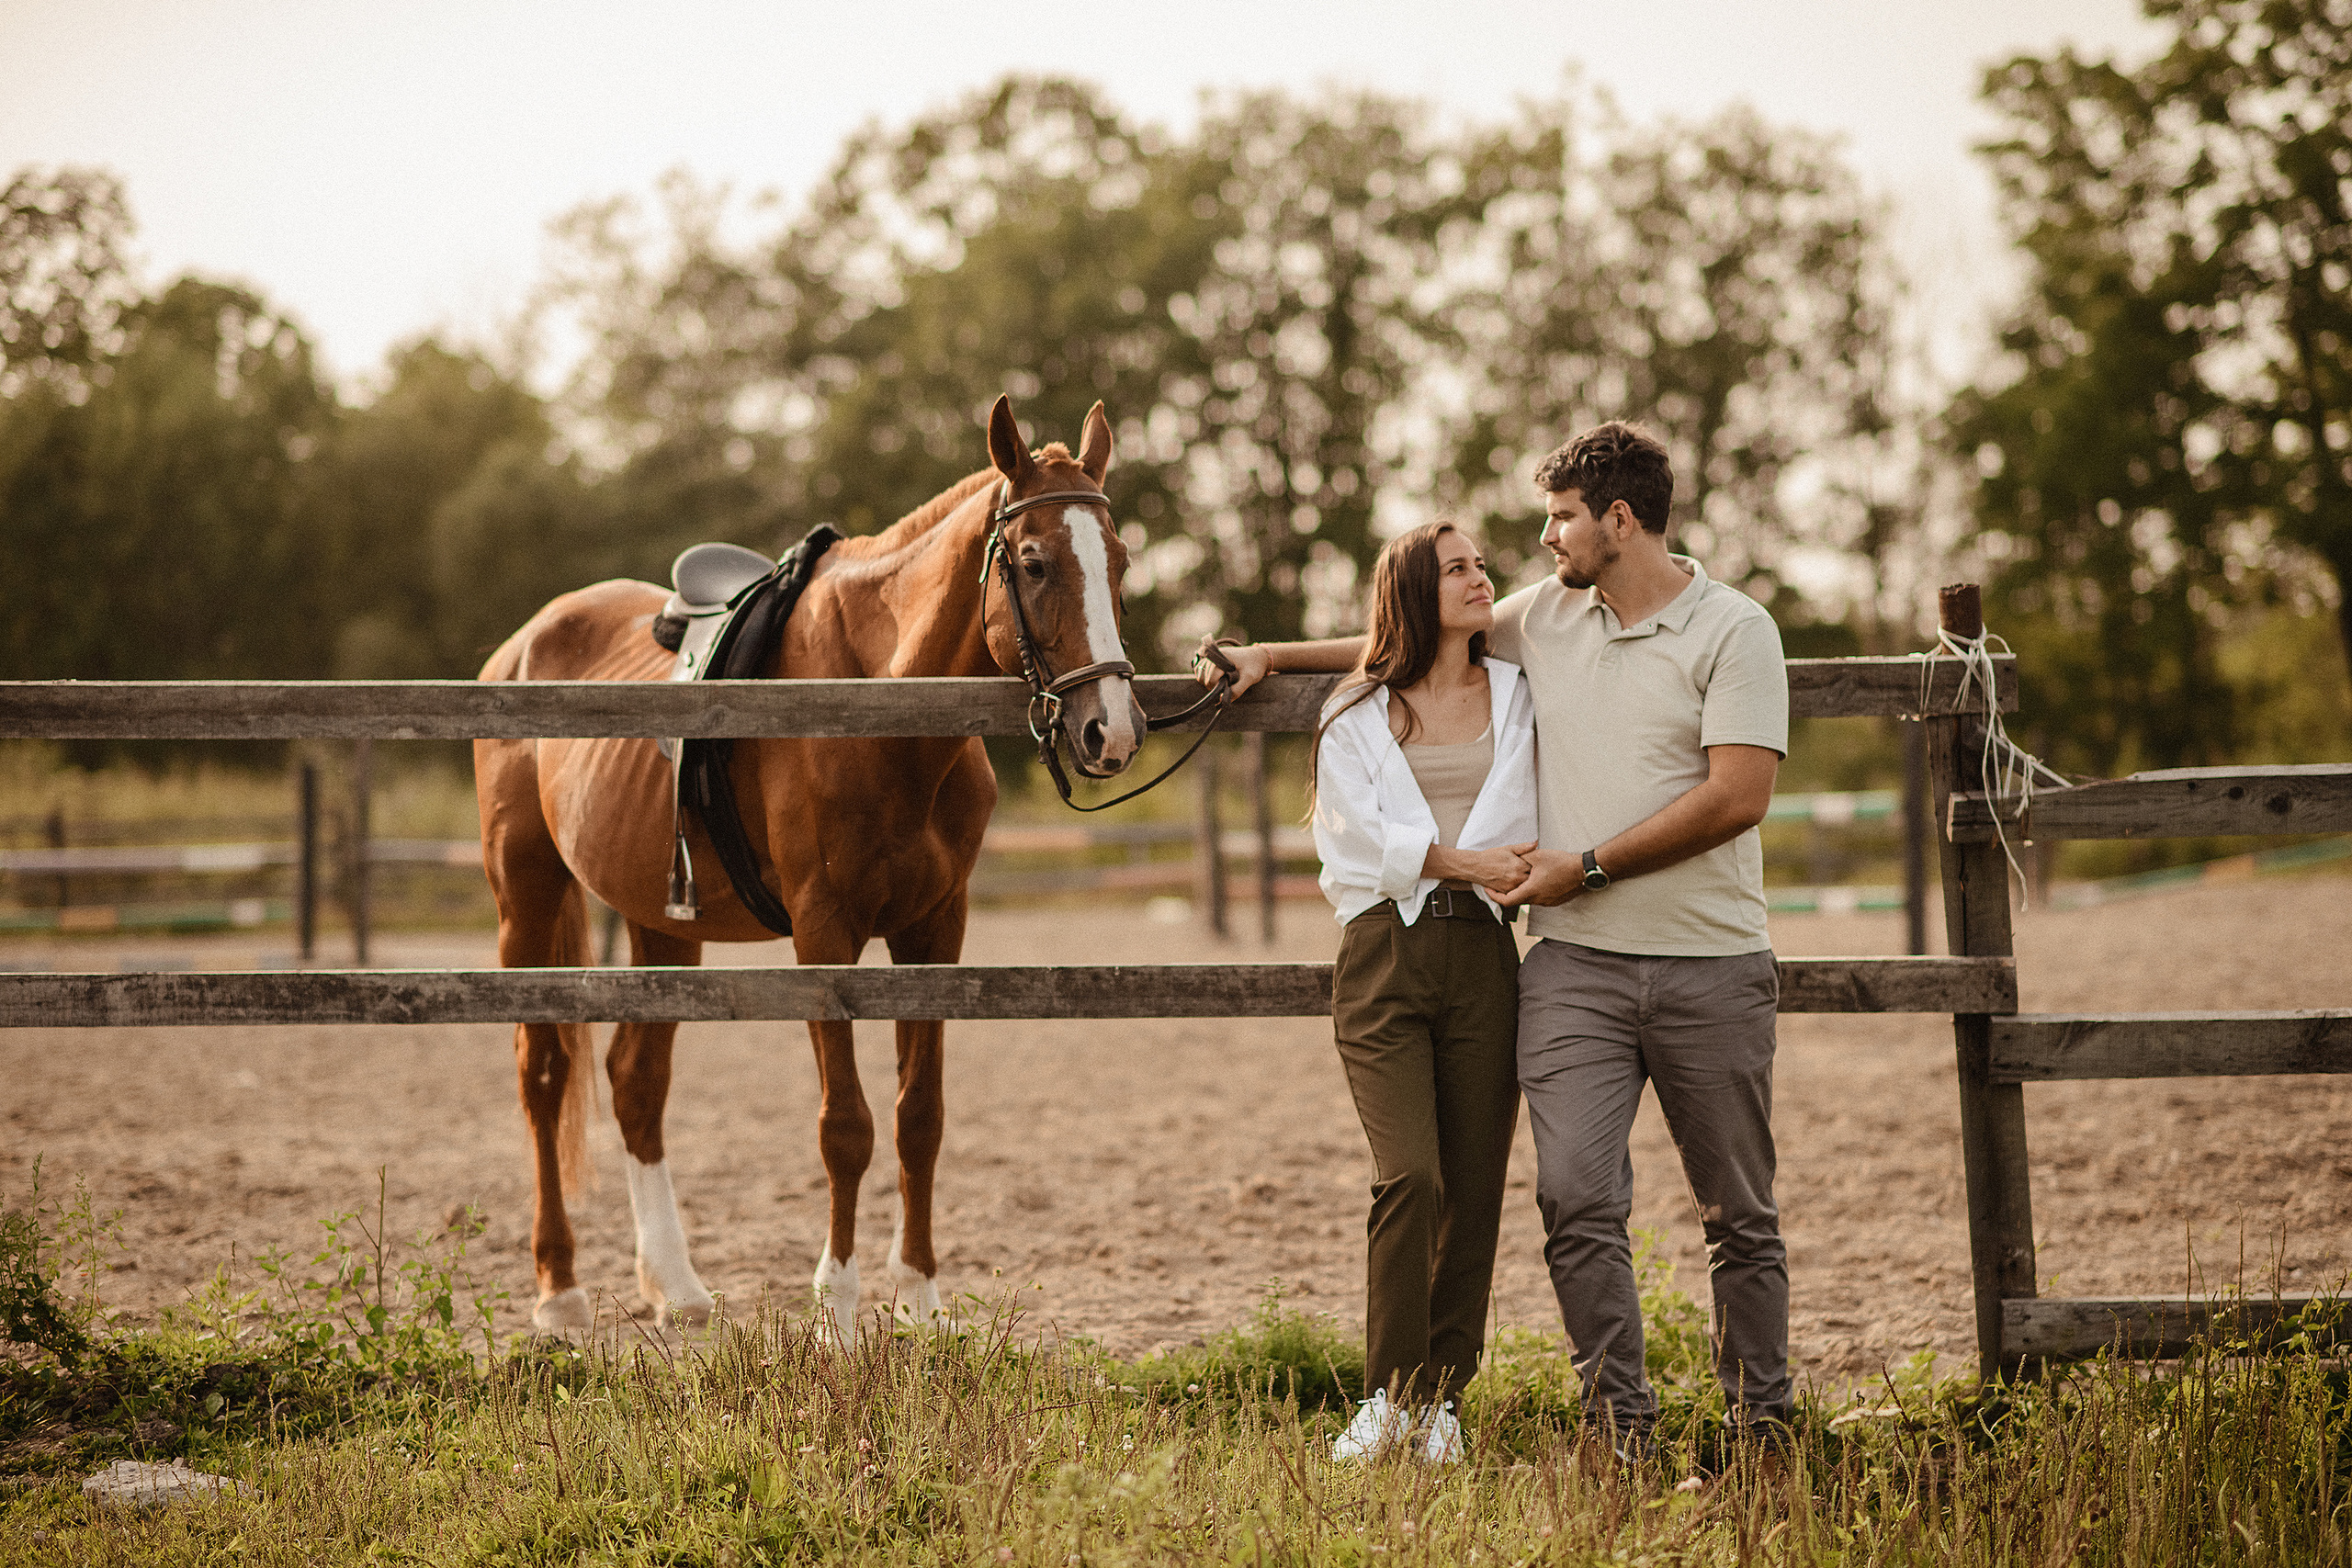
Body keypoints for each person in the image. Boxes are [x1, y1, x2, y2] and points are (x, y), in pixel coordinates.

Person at [1199, 423, 1790, 1456]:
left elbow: (1738, 796)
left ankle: (1762, 1429)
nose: (1539, 538)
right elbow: (1402, 639)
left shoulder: (1735, 629)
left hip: (1709, 961)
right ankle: (1620, 1432)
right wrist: (1271, 656)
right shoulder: (1550, 614)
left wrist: (1588, 864)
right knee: (1571, 1201)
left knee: (1737, 1213)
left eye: (1559, 516)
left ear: (1617, 519)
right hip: (1570, 965)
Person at [1295, 520, 1537, 1465]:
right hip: (1381, 960)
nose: (1480, 577)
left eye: (1481, 564)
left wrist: (1469, 869)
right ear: (1410, 592)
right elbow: (1352, 845)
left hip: (1484, 956)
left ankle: (1442, 1403)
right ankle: (1386, 1398)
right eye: (1456, 569)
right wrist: (1459, 859)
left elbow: (1525, 823)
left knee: (1472, 1188)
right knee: (1412, 1176)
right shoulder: (1351, 714)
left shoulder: (1520, 694)